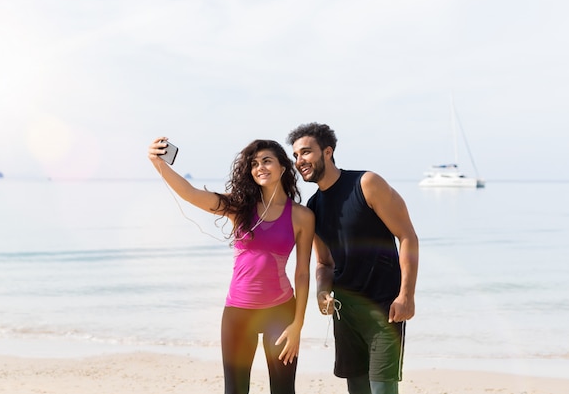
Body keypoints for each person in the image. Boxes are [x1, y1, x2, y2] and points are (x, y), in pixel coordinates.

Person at [148, 137, 314, 394]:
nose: (260, 167)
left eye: (267, 161)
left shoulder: (302, 216)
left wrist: (298, 325)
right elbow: (192, 194)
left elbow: (303, 273)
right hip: (238, 313)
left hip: (281, 312)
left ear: (283, 167)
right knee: (235, 390)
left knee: (283, 390)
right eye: (254, 163)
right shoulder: (239, 207)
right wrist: (158, 163)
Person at [286, 123, 419, 394]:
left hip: (384, 311)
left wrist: (406, 295)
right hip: (345, 313)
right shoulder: (313, 208)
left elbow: (407, 237)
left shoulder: (367, 183)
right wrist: (322, 291)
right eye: (296, 156)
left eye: (306, 153)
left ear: (327, 152)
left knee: (384, 389)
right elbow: (324, 263)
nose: (299, 161)